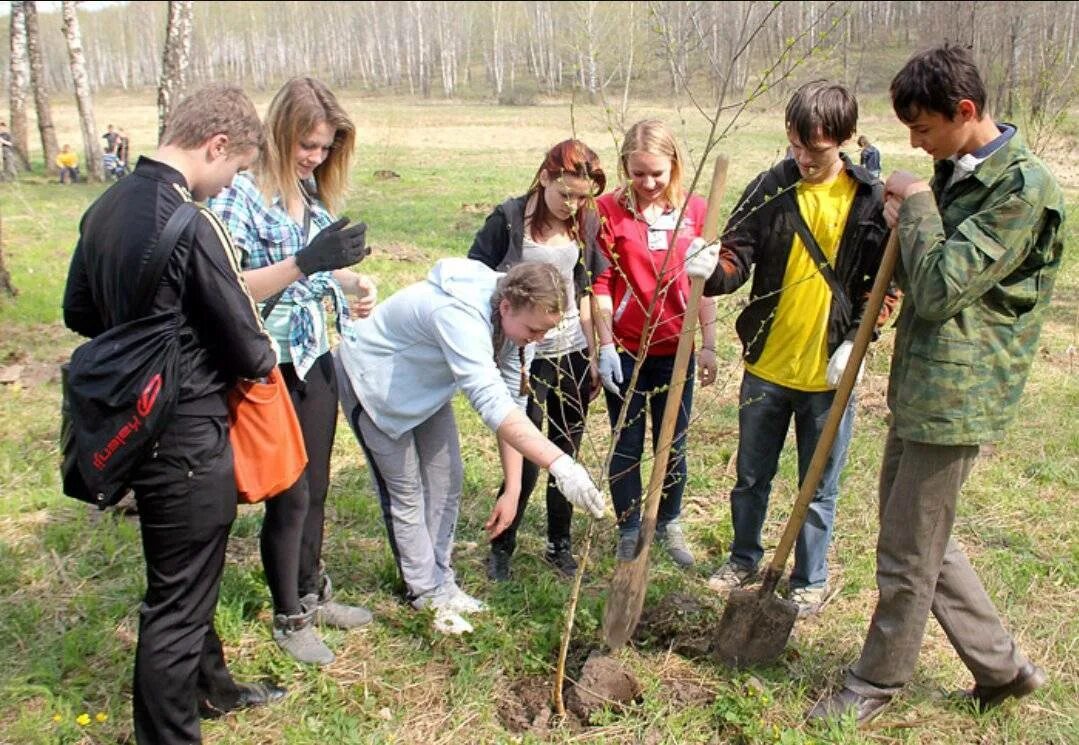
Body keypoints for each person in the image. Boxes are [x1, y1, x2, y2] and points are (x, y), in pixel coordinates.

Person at [809, 44, 1064, 724]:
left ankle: (876, 681)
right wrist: (906, 221)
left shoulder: (1022, 188)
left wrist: (917, 206)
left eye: (923, 129)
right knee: (920, 536)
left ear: (966, 111)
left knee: (904, 548)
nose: (917, 145)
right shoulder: (956, 172)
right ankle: (1001, 668)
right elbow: (917, 270)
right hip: (920, 382)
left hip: (959, 393)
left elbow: (943, 285)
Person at [62, 84, 287, 745]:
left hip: (133, 422)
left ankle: (212, 689)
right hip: (185, 433)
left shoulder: (104, 207)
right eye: (237, 168)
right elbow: (249, 348)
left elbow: (78, 311)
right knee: (176, 601)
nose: (230, 183)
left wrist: (145, 329)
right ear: (216, 146)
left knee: (186, 574)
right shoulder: (191, 222)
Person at [335, 259, 608, 635]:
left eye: (545, 331)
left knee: (447, 481)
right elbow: (490, 402)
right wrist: (561, 465)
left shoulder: (517, 325)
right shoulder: (458, 314)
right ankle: (424, 593)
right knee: (406, 494)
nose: (538, 339)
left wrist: (513, 489)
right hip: (374, 385)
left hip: (425, 390)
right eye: (534, 330)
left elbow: (511, 401)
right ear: (506, 307)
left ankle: (442, 582)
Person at [702, 81, 887, 616]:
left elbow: (882, 284)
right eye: (797, 146)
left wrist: (857, 340)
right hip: (767, 365)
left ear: (846, 139)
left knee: (818, 488)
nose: (805, 159)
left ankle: (809, 579)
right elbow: (736, 257)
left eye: (818, 149)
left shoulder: (869, 200)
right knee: (751, 476)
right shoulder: (770, 188)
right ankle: (743, 557)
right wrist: (709, 270)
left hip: (829, 376)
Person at [209, 77, 376, 666]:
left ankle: (311, 587)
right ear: (279, 133)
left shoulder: (309, 190)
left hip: (313, 354)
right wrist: (307, 263)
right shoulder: (241, 195)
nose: (316, 157)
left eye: (326, 147)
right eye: (308, 145)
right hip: (266, 361)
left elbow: (319, 273)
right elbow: (226, 288)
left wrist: (351, 281)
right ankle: (290, 614)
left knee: (319, 485)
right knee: (291, 492)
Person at [467, 139, 607, 582]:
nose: (573, 204)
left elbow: (585, 290)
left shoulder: (586, 224)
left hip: (570, 352)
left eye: (583, 196)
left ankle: (558, 545)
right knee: (524, 454)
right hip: (522, 358)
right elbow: (474, 280)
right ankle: (501, 547)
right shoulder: (508, 221)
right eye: (566, 193)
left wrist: (597, 351)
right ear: (545, 177)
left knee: (567, 452)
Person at [593, 119, 720, 568]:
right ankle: (629, 527)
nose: (647, 183)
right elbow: (602, 282)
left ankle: (668, 522)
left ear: (675, 167)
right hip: (627, 349)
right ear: (625, 165)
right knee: (626, 443)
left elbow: (704, 283)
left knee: (672, 443)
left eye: (657, 174)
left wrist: (708, 342)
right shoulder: (606, 211)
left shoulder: (697, 211)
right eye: (638, 173)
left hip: (676, 349)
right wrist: (604, 345)